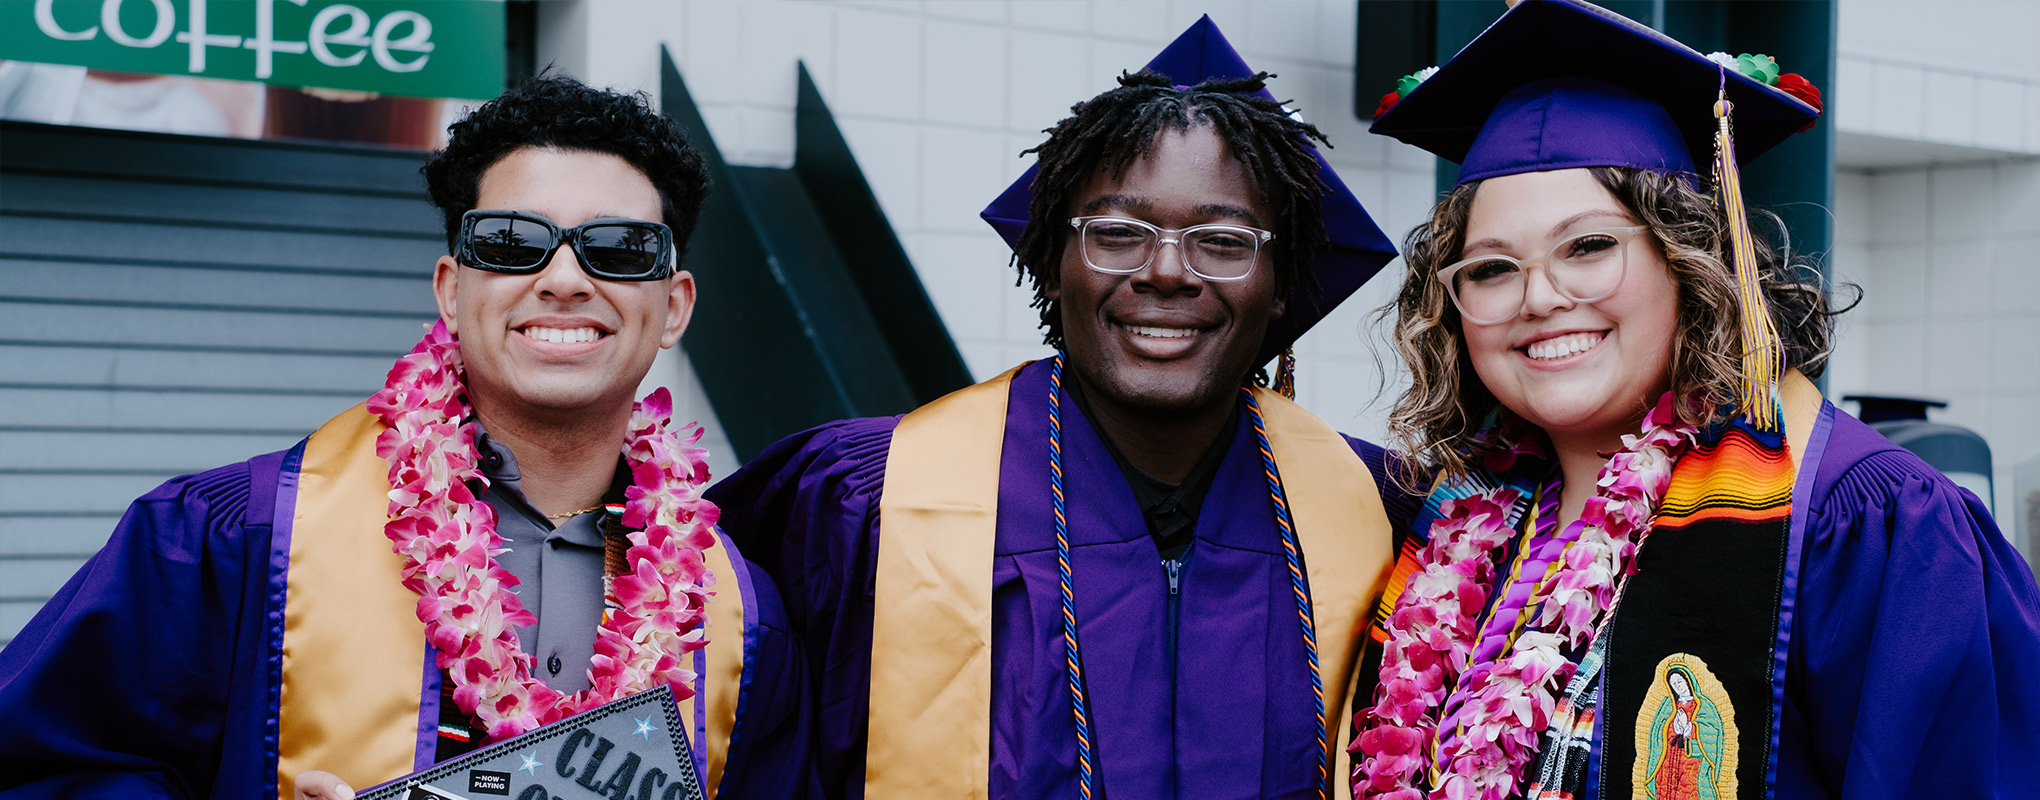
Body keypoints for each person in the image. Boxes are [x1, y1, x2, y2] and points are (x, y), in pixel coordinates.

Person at [0, 76, 814, 800]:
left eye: (618, 250)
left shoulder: (743, 617)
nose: (565, 280)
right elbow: (44, 765)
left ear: (674, 306)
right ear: (452, 290)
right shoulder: (234, 539)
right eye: (510, 242)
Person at [1349, 2, 2040, 799]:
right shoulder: (1447, 526)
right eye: (1492, 268)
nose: (1537, 297)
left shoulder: (1860, 518)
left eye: (1589, 246)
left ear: (1693, 261)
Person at [708, 17, 1411, 800]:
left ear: (1281, 285)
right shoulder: (862, 502)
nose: (1168, 272)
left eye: (1222, 240)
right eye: (1117, 233)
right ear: (1052, 264)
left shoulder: (1379, 511)